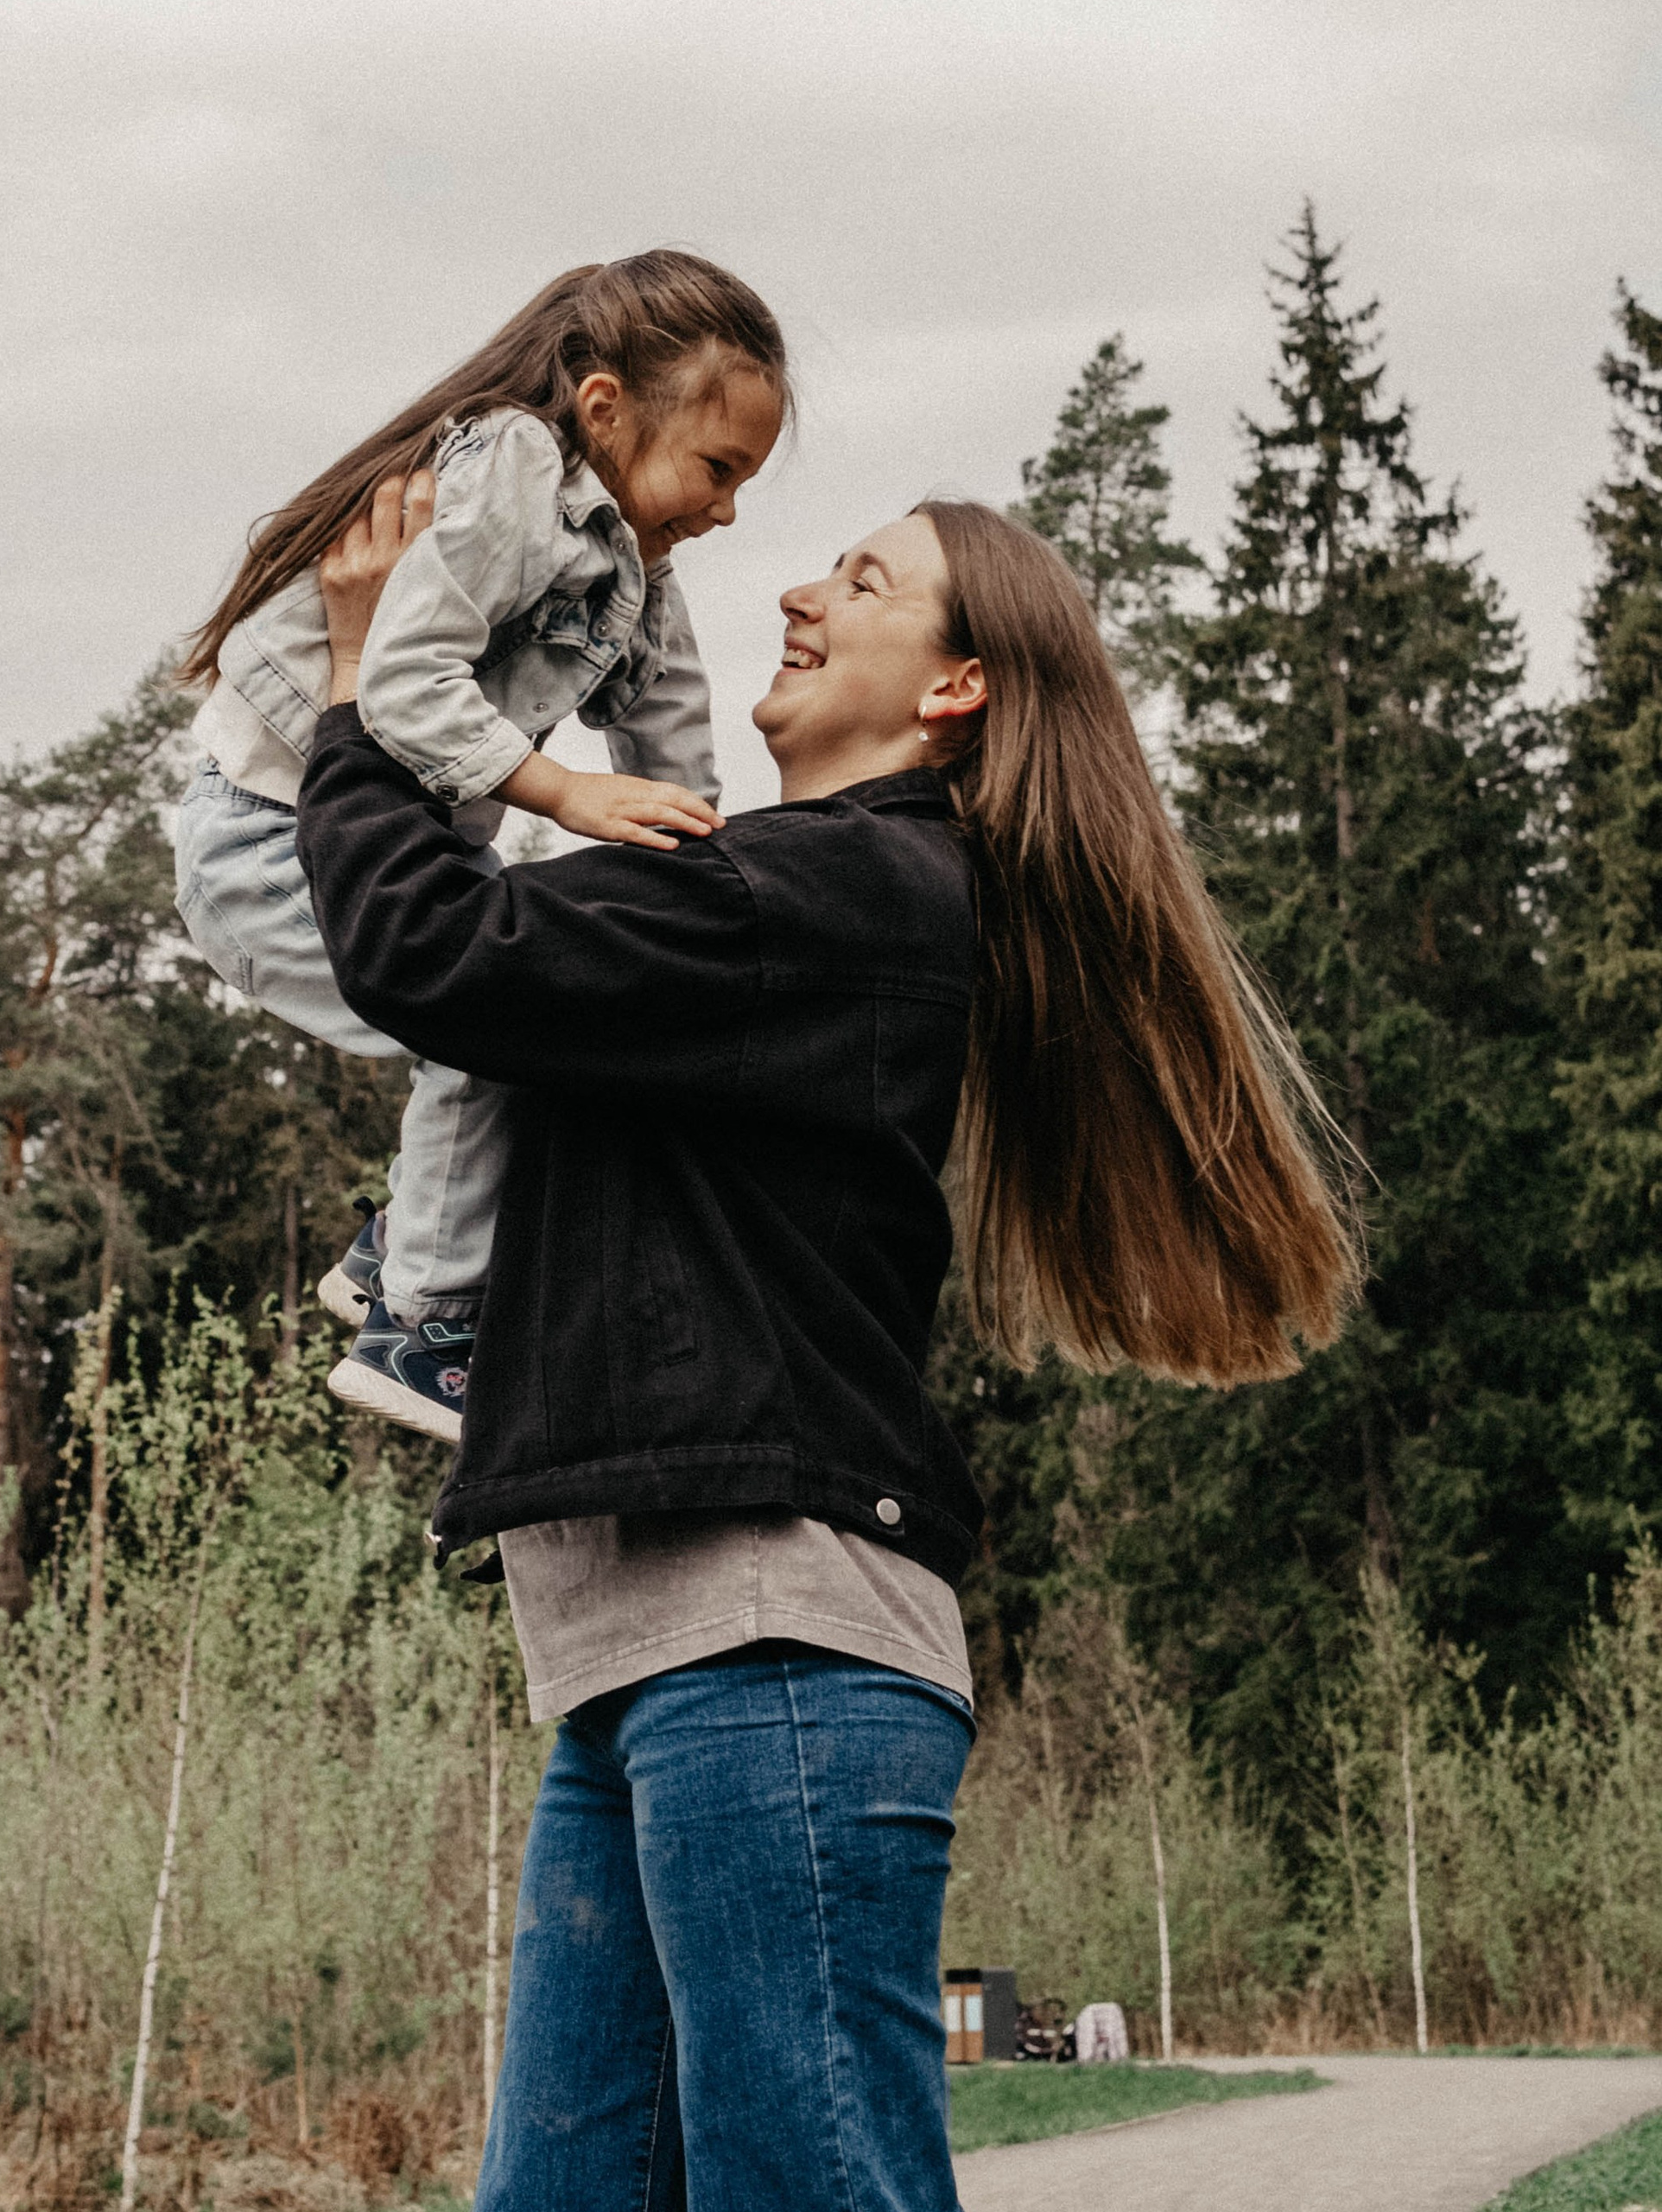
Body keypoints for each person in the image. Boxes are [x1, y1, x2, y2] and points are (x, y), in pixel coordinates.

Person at [295, 486, 1360, 2211]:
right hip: (641, 1663)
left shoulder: (834, 881)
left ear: (953, 689)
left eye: (860, 580)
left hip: (770, 1648)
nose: (793, 589)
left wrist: (365, 685)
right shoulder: (776, 897)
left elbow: (432, 949)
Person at [172, 251, 790, 1443]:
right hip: (265, 848)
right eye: (718, 468)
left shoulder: (632, 558)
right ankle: (423, 1329)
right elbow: (401, 682)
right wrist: (561, 791)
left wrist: (709, 877)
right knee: (507, 1010)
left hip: (375, 850)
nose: (726, 510)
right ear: (606, 409)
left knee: (555, 992)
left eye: (746, 483)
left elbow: (669, 733)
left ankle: (402, 1245)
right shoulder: (511, 464)